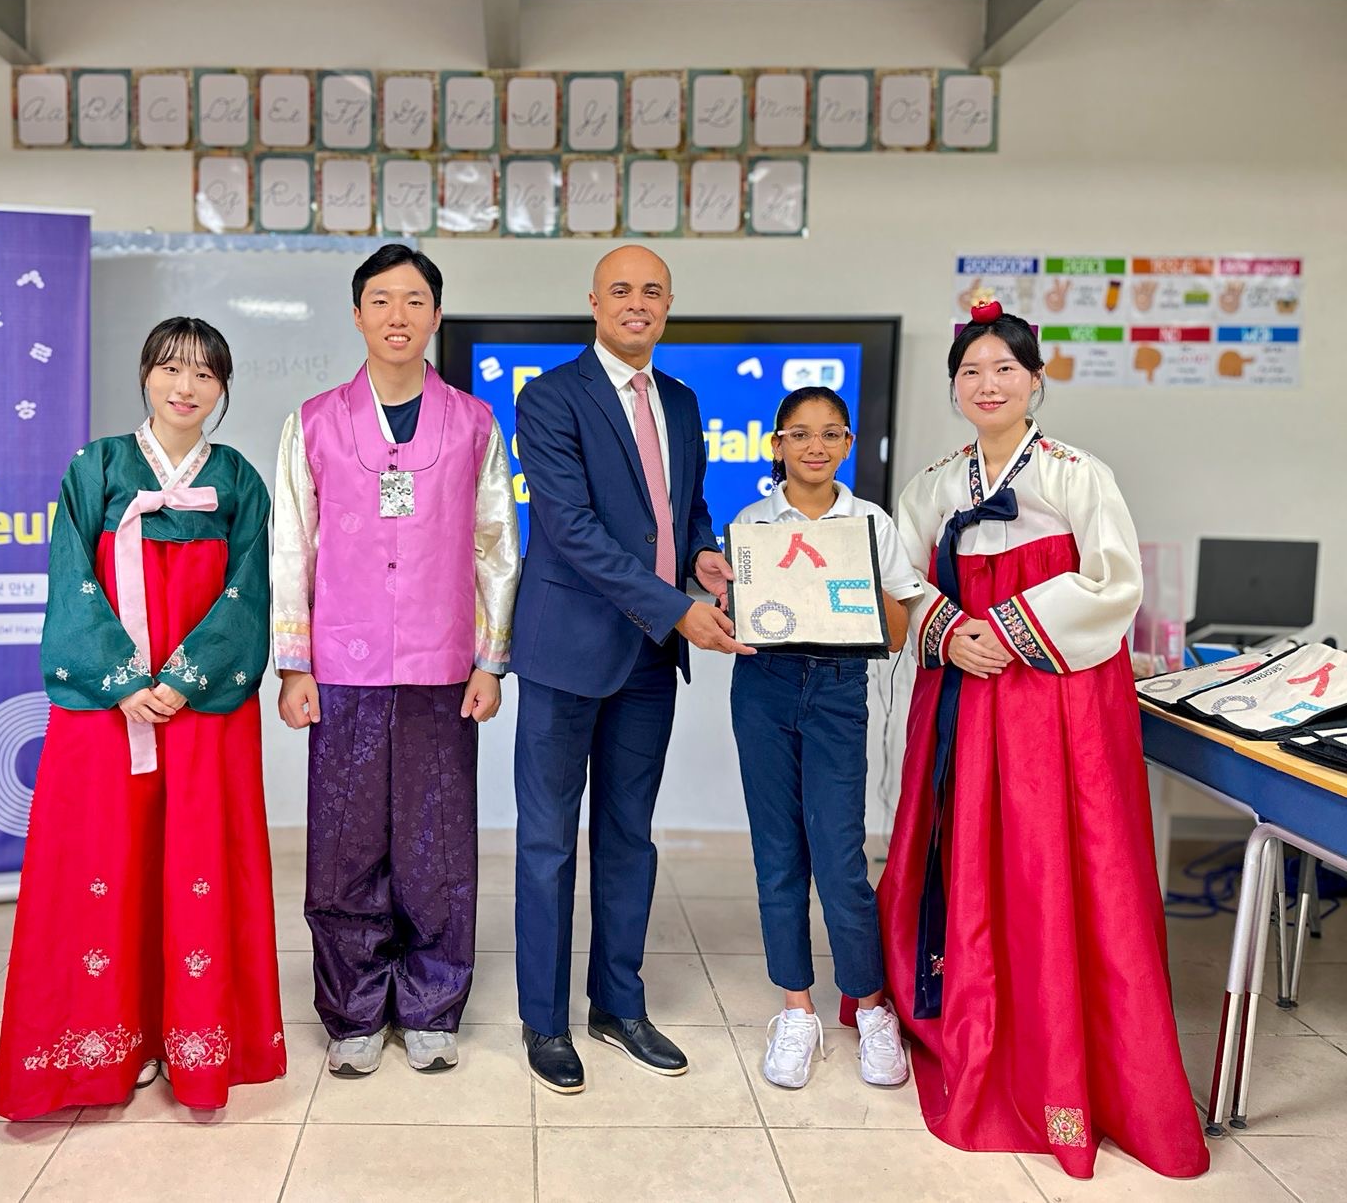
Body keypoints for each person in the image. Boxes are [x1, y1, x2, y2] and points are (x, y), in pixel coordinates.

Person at [876, 298, 1209, 1178]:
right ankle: (972, 1022)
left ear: (1036, 381)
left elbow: (1113, 584)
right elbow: (896, 572)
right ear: (954, 388)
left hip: (1055, 706)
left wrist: (1011, 627)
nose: (987, 385)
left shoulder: (1077, 475)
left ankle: (1070, 1063)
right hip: (963, 693)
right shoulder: (936, 483)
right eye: (971, 373)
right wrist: (948, 628)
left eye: (1004, 371)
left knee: (1061, 861)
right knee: (966, 855)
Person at [0, 317, 283, 1120]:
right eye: (169, 369)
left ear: (223, 390)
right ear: (145, 375)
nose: (184, 387)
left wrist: (185, 681)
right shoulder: (98, 467)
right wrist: (120, 680)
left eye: (203, 375)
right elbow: (71, 577)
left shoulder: (239, 481)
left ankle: (188, 1040)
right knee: (104, 869)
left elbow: (252, 594)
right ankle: (104, 1047)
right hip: (104, 711)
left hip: (202, 711)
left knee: (195, 867)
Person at [270, 243, 519, 1077]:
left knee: (437, 840)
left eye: (415, 301)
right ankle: (350, 1009)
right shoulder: (313, 420)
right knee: (344, 843)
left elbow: (497, 547)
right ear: (356, 314)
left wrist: (490, 660)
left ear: (437, 315)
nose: (398, 316)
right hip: (340, 667)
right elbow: (289, 549)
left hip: (442, 663)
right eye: (381, 300)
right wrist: (293, 665)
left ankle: (432, 1001)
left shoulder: (474, 422)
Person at [511, 244, 753, 1095]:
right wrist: (673, 604)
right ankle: (544, 1022)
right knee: (546, 845)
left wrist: (706, 558)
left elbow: (684, 509)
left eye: (652, 291)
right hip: (566, 651)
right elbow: (572, 531)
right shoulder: (547, 399)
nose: (637, 303)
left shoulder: (682, 401)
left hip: (651, 657)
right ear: (594, 303)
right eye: (622, 290)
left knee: (628, 840)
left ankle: (618, 1005)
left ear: (669, 303)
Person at [727, 385, 919, 1092]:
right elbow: (740, 617)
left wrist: (856, 591)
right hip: (765, 687)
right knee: (777, 855)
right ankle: (797, 1009)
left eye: (831, 433)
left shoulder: (869, 522)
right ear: (776, 444)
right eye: (800, 434)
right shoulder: (751, 522)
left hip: (839, 690)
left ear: (847, 443)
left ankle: (871, 1010)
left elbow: (897, 631)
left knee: (839, 858)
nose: (815, 446)